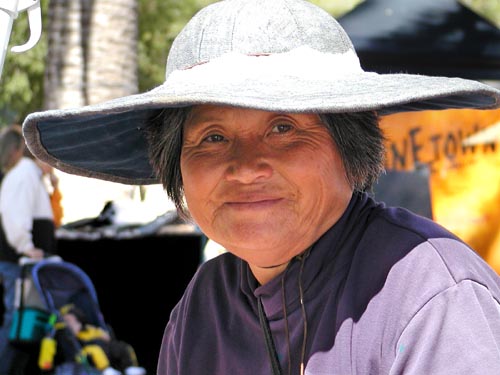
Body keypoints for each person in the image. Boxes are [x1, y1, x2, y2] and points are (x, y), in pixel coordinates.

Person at [21, 0, 500, 374]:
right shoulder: (206, 305)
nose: (245, 168)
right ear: (176, 167)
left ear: (349, 148)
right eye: (212, 137)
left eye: (283, 128)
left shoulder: (433, 295)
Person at [0, 124, 58, 374]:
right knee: (17, 322)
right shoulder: (23, 173)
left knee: (28, 322)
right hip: (19, 264)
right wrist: (25, 247)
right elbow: (13, 215)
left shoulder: (28, 174)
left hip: (26, 263)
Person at [55, 304, 146, 375]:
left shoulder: (88, 328)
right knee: (95, 350)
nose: (71, 322)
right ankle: (106, 369)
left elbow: (103, 335)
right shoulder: (67, 332)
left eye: (72, 319)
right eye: (67, 320)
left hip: (102, 346)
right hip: (84, 351)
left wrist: (103, 335)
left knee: (122, 346)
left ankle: (130, 367)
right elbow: (72, 342)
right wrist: (72, 328)